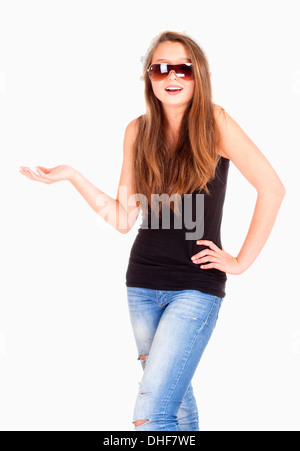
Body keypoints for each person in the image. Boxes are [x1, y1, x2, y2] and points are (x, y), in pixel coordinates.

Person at [19, 30, 286, 431]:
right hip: (142, 284)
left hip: (196, 285)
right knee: (175, 406)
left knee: (149, 415)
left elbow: (272, 187)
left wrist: (241, 261)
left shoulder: (215, 122)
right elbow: (124, 217)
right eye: (161, 68)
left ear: (199, 75)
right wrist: (72, 176)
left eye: (183, 68)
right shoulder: (137, 130)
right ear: (149, 77)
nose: (172, 76)